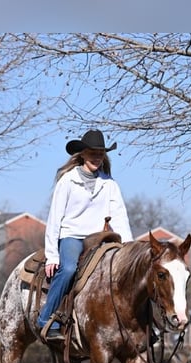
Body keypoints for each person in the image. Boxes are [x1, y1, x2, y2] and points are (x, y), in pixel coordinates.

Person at [37, 129, 133, 341]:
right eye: (93, 153)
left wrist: (128, 248)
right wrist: (52, 255)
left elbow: (119, 217)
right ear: (82, 154)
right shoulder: (67, 181)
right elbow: (54, 219)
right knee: (69, 269)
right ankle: (46, 319)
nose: (97, 157)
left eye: (101, 154)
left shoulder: (109, 184)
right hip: (71, 235)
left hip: (98, 238)